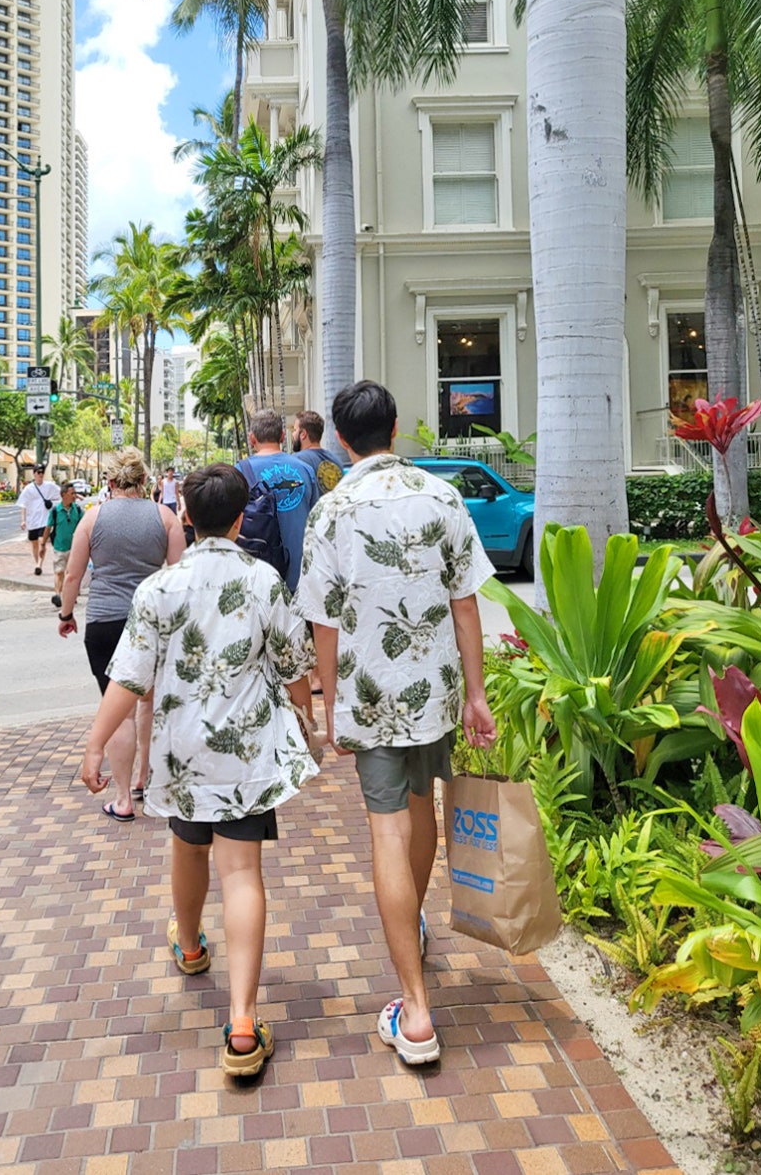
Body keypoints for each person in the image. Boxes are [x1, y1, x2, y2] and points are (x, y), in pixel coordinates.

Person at [80, 463, 318, 1077]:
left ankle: (189, 947)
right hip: (245, 753)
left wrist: (93, 744)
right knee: (242, 872)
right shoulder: (264, 580)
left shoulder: (160, 588)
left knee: (188, 851)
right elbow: (295, 666)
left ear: (186, 515)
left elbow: (128, 677)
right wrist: (308, 717)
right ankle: (242, 1024)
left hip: (183, 752)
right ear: (241, 519)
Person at [297, 380, 497, 1066]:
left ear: (343, 441)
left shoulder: (331, 510)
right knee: (423, 813)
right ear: (398, 426)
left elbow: (322, 621)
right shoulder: (442, 495)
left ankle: (414, 1012)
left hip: (372, 695)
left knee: (388, 829)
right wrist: (477, 693)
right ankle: (411, 924)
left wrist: (329, 706)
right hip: (435, 690)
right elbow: (466, 602)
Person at [58, 448, 185, 820]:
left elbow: (72, 576)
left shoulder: (91, 519)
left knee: (117, 711)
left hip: (105, 622)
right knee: (146, 701)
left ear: (109, 483)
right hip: (151, 622)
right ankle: (145, 777)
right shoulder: (165, 517)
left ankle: (123, 797)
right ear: (145, 481)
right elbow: (178, 575)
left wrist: (66, 614)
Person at [238, 408, 318, 593]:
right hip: (302, 581)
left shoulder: (239, 472)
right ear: (282, 436)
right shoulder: (306, 470)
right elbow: (316, 523)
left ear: (252, 439)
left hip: (258, 583)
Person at [40, 481, 82, 609]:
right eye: (72, 493)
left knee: (71, 573)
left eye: (75, 493)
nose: (74, 496)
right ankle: (57, 595)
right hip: (59, 547)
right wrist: (43, 544)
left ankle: (70, 595)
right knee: (59, 572)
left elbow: (83, 526)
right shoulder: (55, 511)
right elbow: (48, 528)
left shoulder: (78, 510)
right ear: (63, 495)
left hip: (74, 548)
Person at [16, 463, 60, 575]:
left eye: (42, 472)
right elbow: (23, 505)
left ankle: (39, 564)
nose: (40, 475)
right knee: (34, 543)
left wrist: (76, 495)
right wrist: (23, 520)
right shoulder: (28, 489)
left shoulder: (49, 486)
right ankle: (37, 563)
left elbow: (62, 492)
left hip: (44, 521)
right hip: (32, 522)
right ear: (34, 474)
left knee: (42, 542)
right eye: (38, 472)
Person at [292, 409, 343, 496]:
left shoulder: (296, 461)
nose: (293, 434)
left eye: (295, 430)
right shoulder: (336, 460)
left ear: (303, 434)